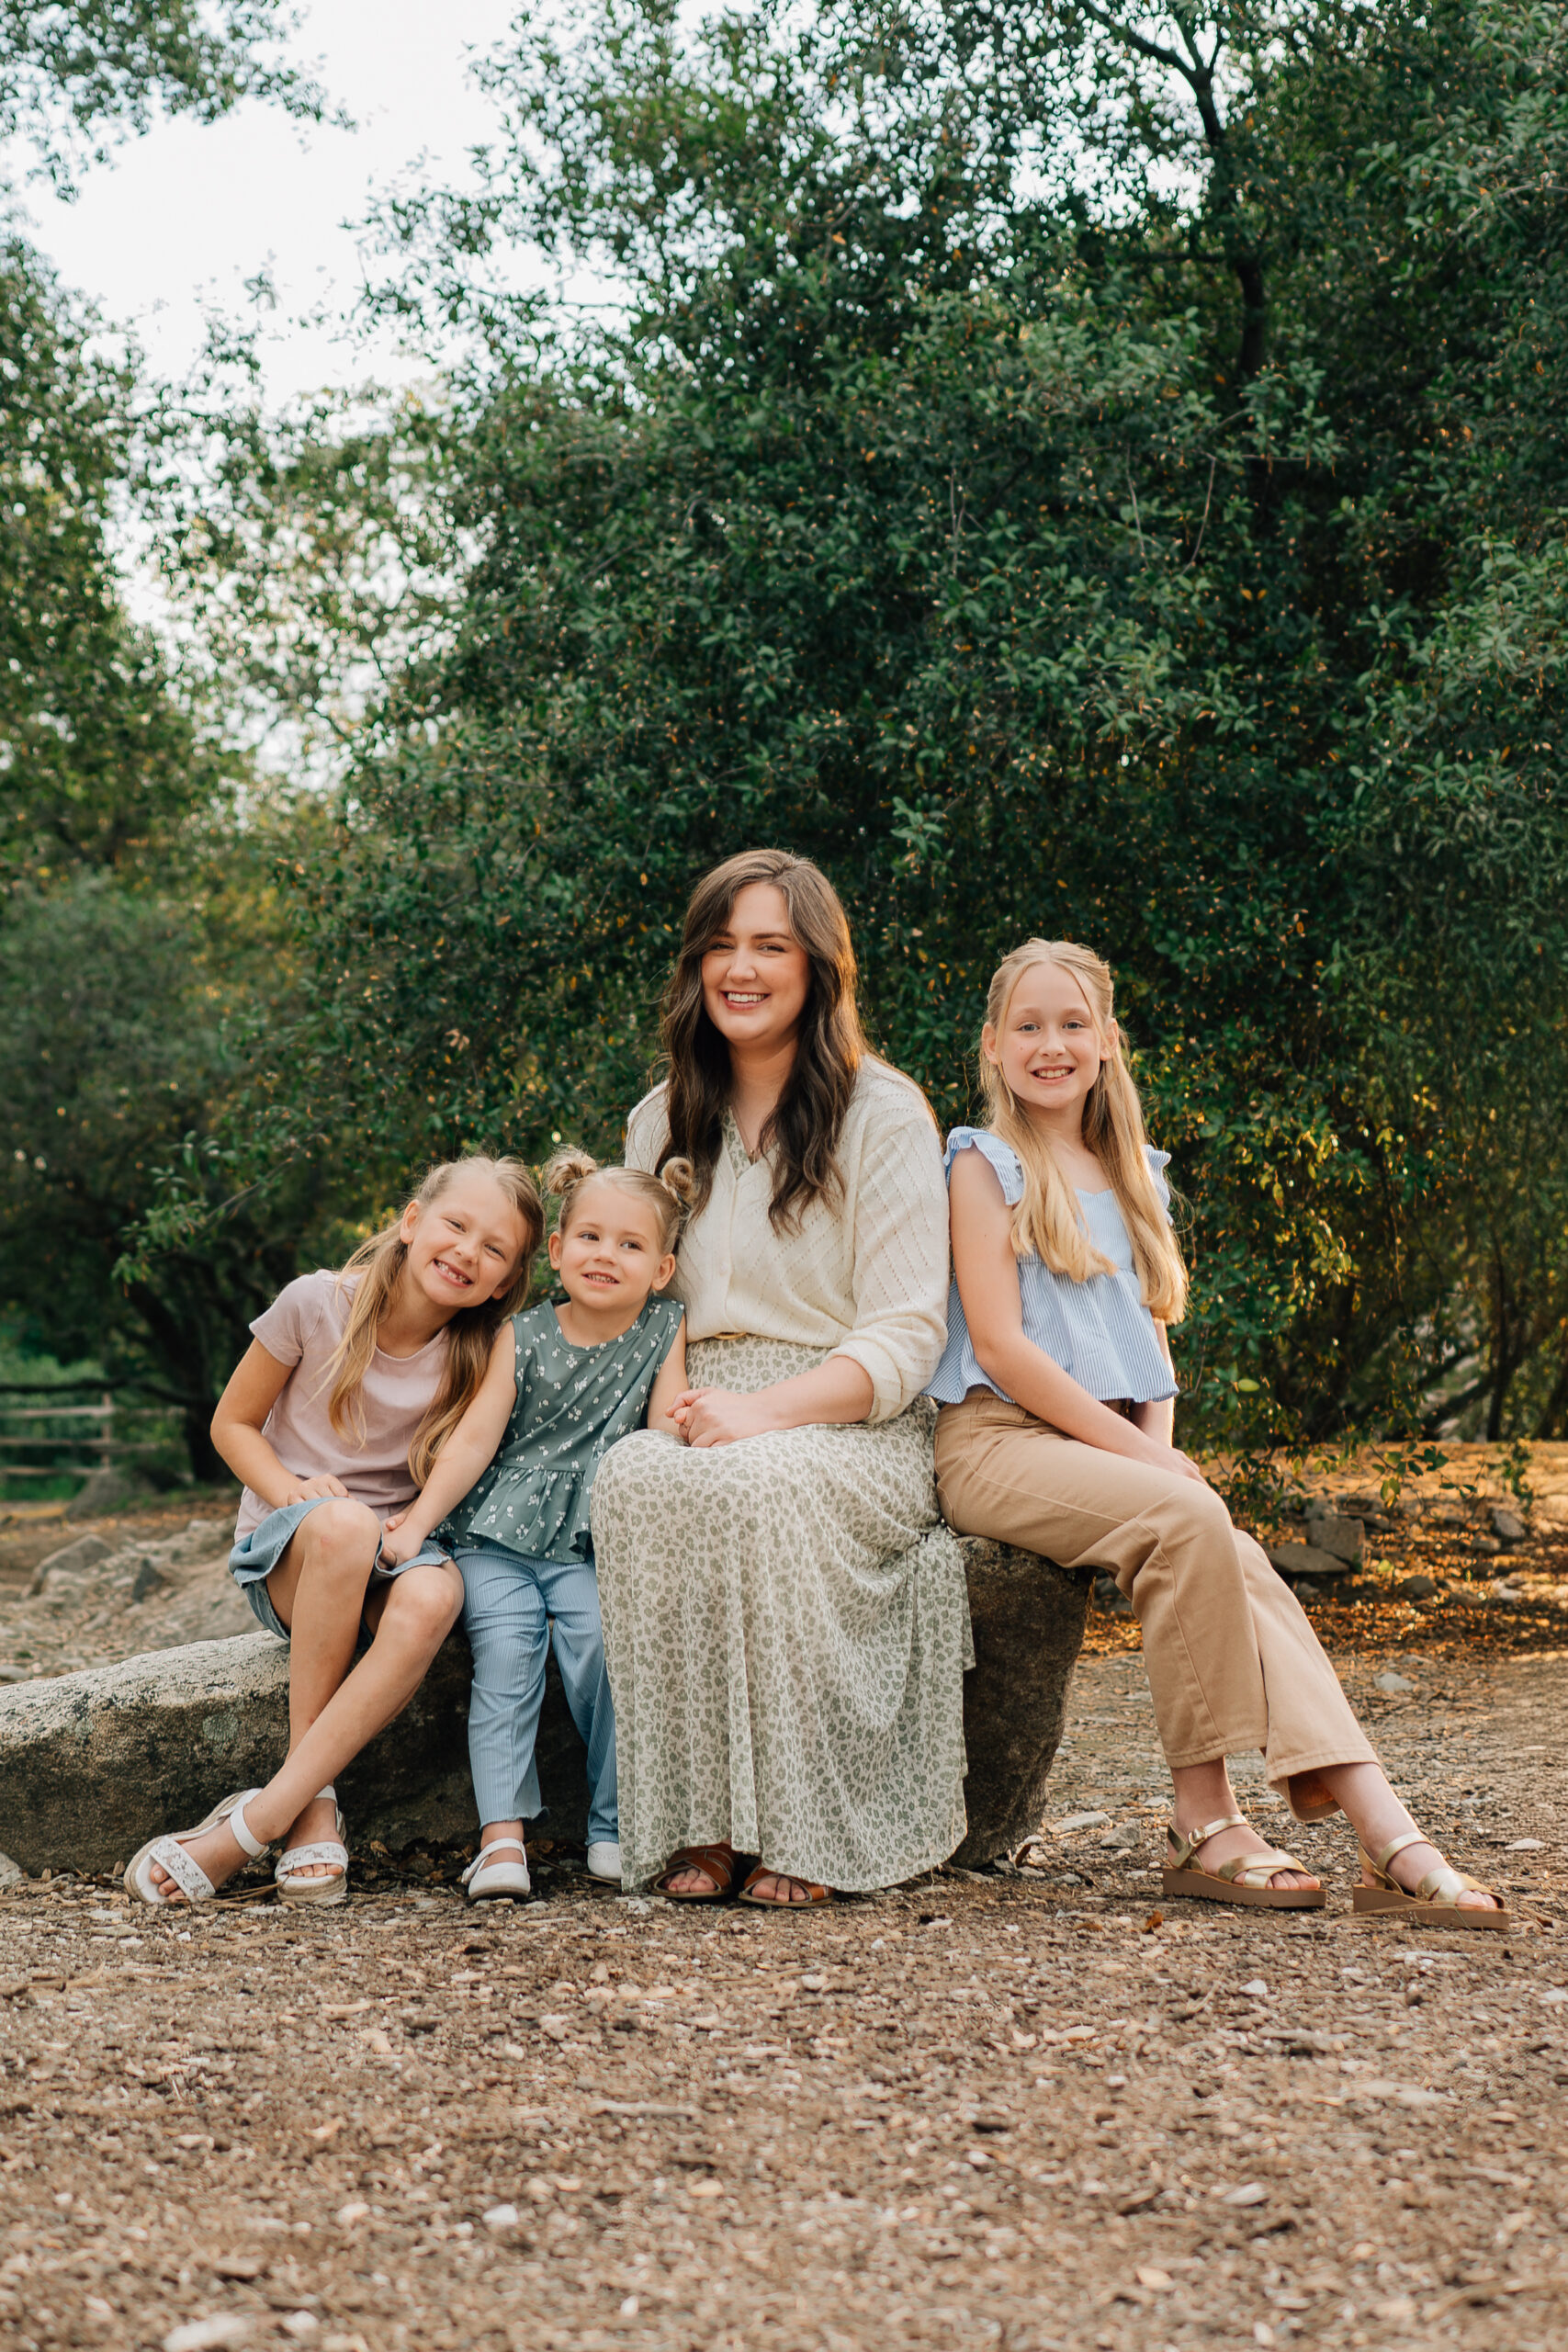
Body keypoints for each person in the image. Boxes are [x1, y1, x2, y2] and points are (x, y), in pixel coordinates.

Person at [931, 939, 1507, 1929]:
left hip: (1107, 1447)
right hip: (997, 1441)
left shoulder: (1136, 1175)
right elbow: (1004, 1347)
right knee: (1193, 1516)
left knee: (1229, 1546)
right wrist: (1155, 1465)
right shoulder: (985, 1165)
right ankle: (1207, 1818)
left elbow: (1153, 1353)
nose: (1051, 1043)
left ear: (1108, 1043)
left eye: (1073, 1024)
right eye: (1028, 1025)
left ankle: (1386, 1829)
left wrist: (1156, 1440)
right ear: (993, 1045)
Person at [589, 848, 972, 1905]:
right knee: (632, 1479)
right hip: (699, 1397)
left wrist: (762, 1414)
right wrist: (672, 1404)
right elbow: (647, 1300)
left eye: (770, 945)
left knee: (758, 1486)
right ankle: (705, 1825)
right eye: (720, 946)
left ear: (817, 967)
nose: (741, 969)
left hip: (849, 1419)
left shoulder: (882, 1113)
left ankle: (807, 1830)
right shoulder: (658, 1118)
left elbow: (902, 1338)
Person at [125, 1156, 543, 1909]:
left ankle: (258, 1817)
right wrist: (292, 1491)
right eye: (456, 1225)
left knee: (432, 1600)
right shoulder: (315, 1304)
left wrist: (415, 1532)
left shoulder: (483, 1350)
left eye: (494, 1249)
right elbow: (232, 1424)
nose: (467, 1253)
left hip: (393, 1546)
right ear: (412, 1221)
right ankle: (307, 1804)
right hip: (297, 1545)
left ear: (506, 1280)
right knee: (344, 1525)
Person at [379, 1149, 692, 1902]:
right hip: (495, 1540)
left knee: (605, 1652)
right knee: (508, 1655)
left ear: (661, 1269)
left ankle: (615, 1827)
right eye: (588, 1237)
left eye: (629, 1245)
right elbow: (477, 1438)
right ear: (555, 1251)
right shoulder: (522, 1333)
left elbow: (664, 1432)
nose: (604, 1256)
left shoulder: (663, 1329)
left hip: (590, 1546)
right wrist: (417, 1523)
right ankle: (501, 1841)